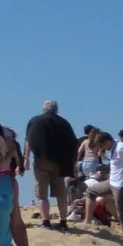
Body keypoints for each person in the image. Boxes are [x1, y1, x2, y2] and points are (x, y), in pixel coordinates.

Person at [24, 99, 78, 231]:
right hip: (60, 164)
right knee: (61, 194)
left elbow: (29, 140)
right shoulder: (64, 123)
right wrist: (73, 165)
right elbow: (73, 144)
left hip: (41, 161)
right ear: (56, 110)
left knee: (42, 194)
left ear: (43, 109)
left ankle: (46, 221)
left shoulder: (35, 121)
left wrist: (25, 157)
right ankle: (63, 221)